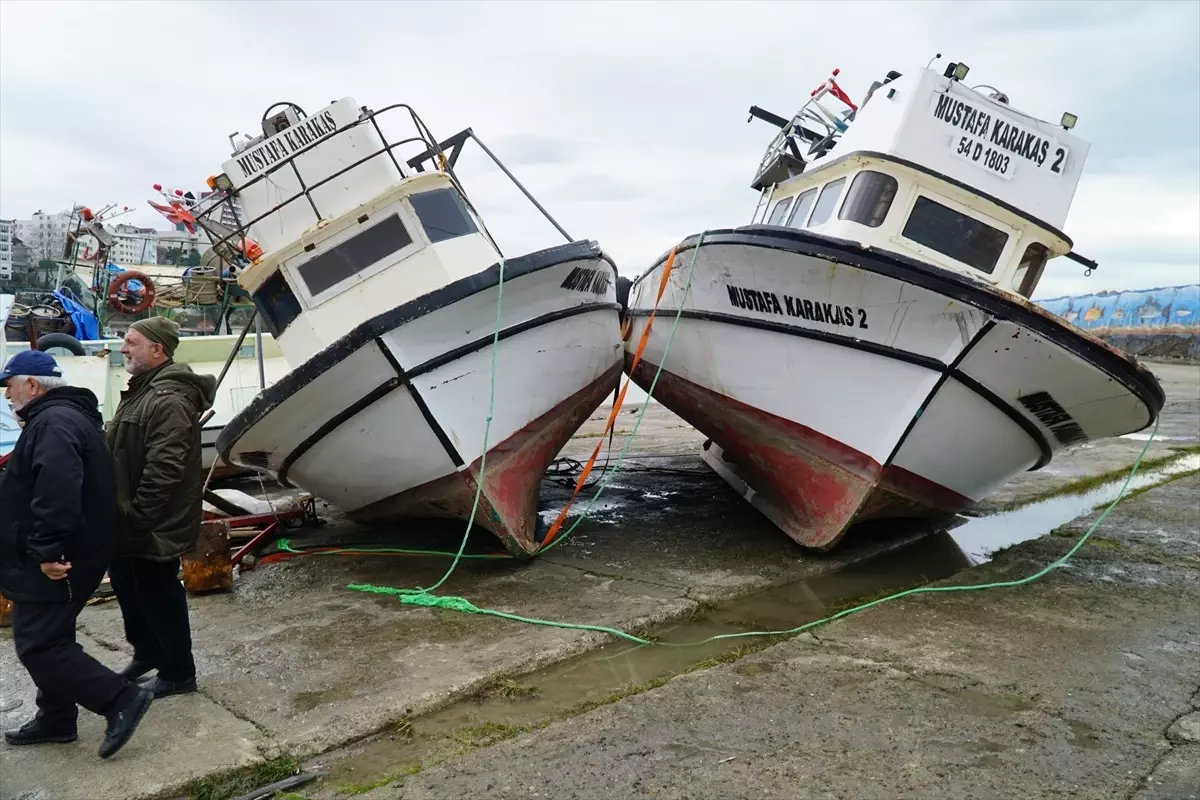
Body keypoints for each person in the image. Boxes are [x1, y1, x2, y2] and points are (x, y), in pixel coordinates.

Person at [0, 350, 153, 758]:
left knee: (39, 645)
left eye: (8, 387)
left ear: (31, 385)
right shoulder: (63, 417)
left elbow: (58, 489)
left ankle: (119, 699)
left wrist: (47, 550)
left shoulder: (52, 422)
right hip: (70, 550)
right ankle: (56, 718)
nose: (6, 396)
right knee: (54, 634)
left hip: (58, 558)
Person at [106, 317, 216, 698]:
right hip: (128, 516)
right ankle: (148, 652)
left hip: (153, 520)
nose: (123, 348)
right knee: (126, 581)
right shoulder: (142, 391)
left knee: (158, 591)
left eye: (131, 342)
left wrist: (139, 517)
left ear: (157, 350)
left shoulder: (168, 399)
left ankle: (177, 671)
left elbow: (164, 468)